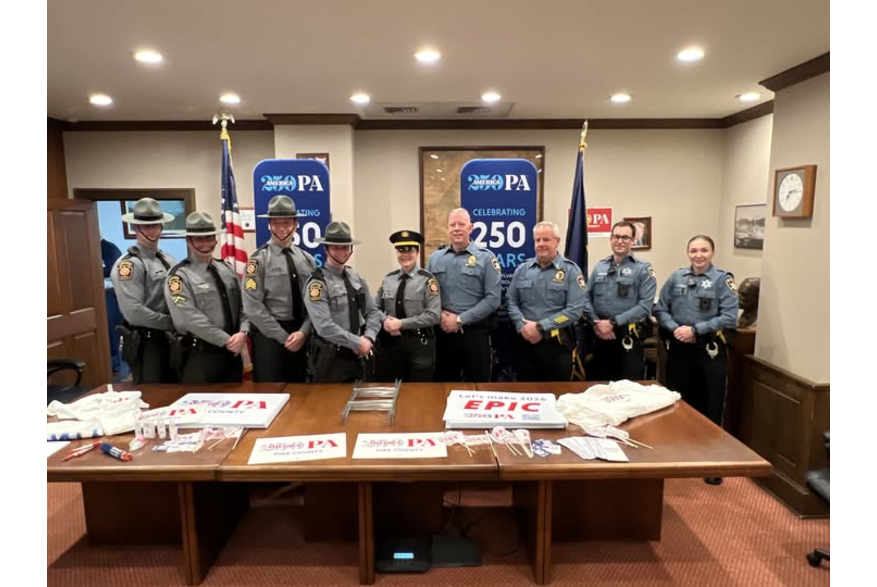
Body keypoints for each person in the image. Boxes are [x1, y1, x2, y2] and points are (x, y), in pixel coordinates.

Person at [655, 235, 738, 485]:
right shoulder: (676, 277)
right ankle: (678, 454)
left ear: (712, 252)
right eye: (693, 250)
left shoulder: (723, 280)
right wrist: (676, 329)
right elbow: (660, 308)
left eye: (703, 250)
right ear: (687, 253)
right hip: (680, 347)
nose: (698, 255)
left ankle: (712, 463)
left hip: (709, 349)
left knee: (712, 403)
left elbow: (729, 316)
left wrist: (696, 330)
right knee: (678, 402)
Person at [164, 212, 250, 383]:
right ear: (188, 241)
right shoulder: (178, 276)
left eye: (209, 238)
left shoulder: (227, 269)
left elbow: (244, 305)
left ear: (215, 240)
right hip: (199, 354)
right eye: (199, 239)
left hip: (232, 352)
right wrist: (226, 340)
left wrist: (243, 331)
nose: (205, 244)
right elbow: (189, 318)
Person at [242, 195, 316, 383]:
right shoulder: (257, 261)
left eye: (287, 223)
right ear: (269, 224)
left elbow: (315, 302)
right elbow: (253, 307)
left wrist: (304, 332)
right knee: (270, 392)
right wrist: (284, 337)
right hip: (270, 336)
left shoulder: (307, 260)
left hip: (301, 334)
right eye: (276, 223)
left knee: (300, 393)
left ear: (296, 224)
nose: (282, 228)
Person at [426, 208, 502, 382]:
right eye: (453, 225)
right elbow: (428, 293)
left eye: (461, 224)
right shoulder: (435, 258)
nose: (457, 228)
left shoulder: (486, 259)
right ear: (447, 228)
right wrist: (439, 316)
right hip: (442, 333)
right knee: (441, 388)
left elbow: (493, 300)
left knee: (478, 389)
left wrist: (459, 320)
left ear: (471, 227)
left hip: (474, 334)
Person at [507, 221, 587, 381]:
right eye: (538, 240)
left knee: (557, 396)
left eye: (546, 240)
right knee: (526, 396)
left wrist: (540, 327)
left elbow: (574, 311)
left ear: (557, 241)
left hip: (556, 345)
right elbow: (511, 301)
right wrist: (521, 325)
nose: (541, 244)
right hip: (525, 344)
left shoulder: (571, 271)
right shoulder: (522, 270)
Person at [304, 221, 382, 383]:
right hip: (331, 358)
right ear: (326, 249)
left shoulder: (356, 278)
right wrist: (356, 342)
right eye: (336, 247)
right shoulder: (317, 284)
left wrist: (368, 337)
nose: (342, 252)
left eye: (345, 247)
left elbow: (372, 311)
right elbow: (324, 326)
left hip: (358, 356)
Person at [111, 197, 178, 384]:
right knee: (153, 395)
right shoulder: (129, 265)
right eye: (146, 226)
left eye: (156, 225)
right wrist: (172, 322)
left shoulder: (168, 259)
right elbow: (134, 313)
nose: (153, 230)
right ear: (135, 228)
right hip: (147, 342)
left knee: (176, 392)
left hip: (171, 339)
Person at [584, 221, 657, 381]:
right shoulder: (599, 267)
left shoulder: (643, 269)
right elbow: (585, 299)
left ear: (632, 241)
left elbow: (645, 306)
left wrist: (613, 323)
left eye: (625, 237)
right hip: (600, 335)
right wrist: (596, 323)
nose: (620, 241)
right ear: (611, 239)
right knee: (600, 387)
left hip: (628, 336)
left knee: (628, 389)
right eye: (616, 236)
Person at [374, 230, 441, 382]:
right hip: (391, 345)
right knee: (391, 391)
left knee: (419, 394)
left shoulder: (428, 281)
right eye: (400, 250)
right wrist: (386, 321)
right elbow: (374, 307)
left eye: (409, 250)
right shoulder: (389, 279)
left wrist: (401, 324)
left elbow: (434, 315)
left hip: (418, 345)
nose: (405, 255)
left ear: (417, 252)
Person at [101, 238, 125, 378]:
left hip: (110, 294)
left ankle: (114, 365)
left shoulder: (109, 248)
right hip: (94, 295)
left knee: (112, 329)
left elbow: (114, 270)